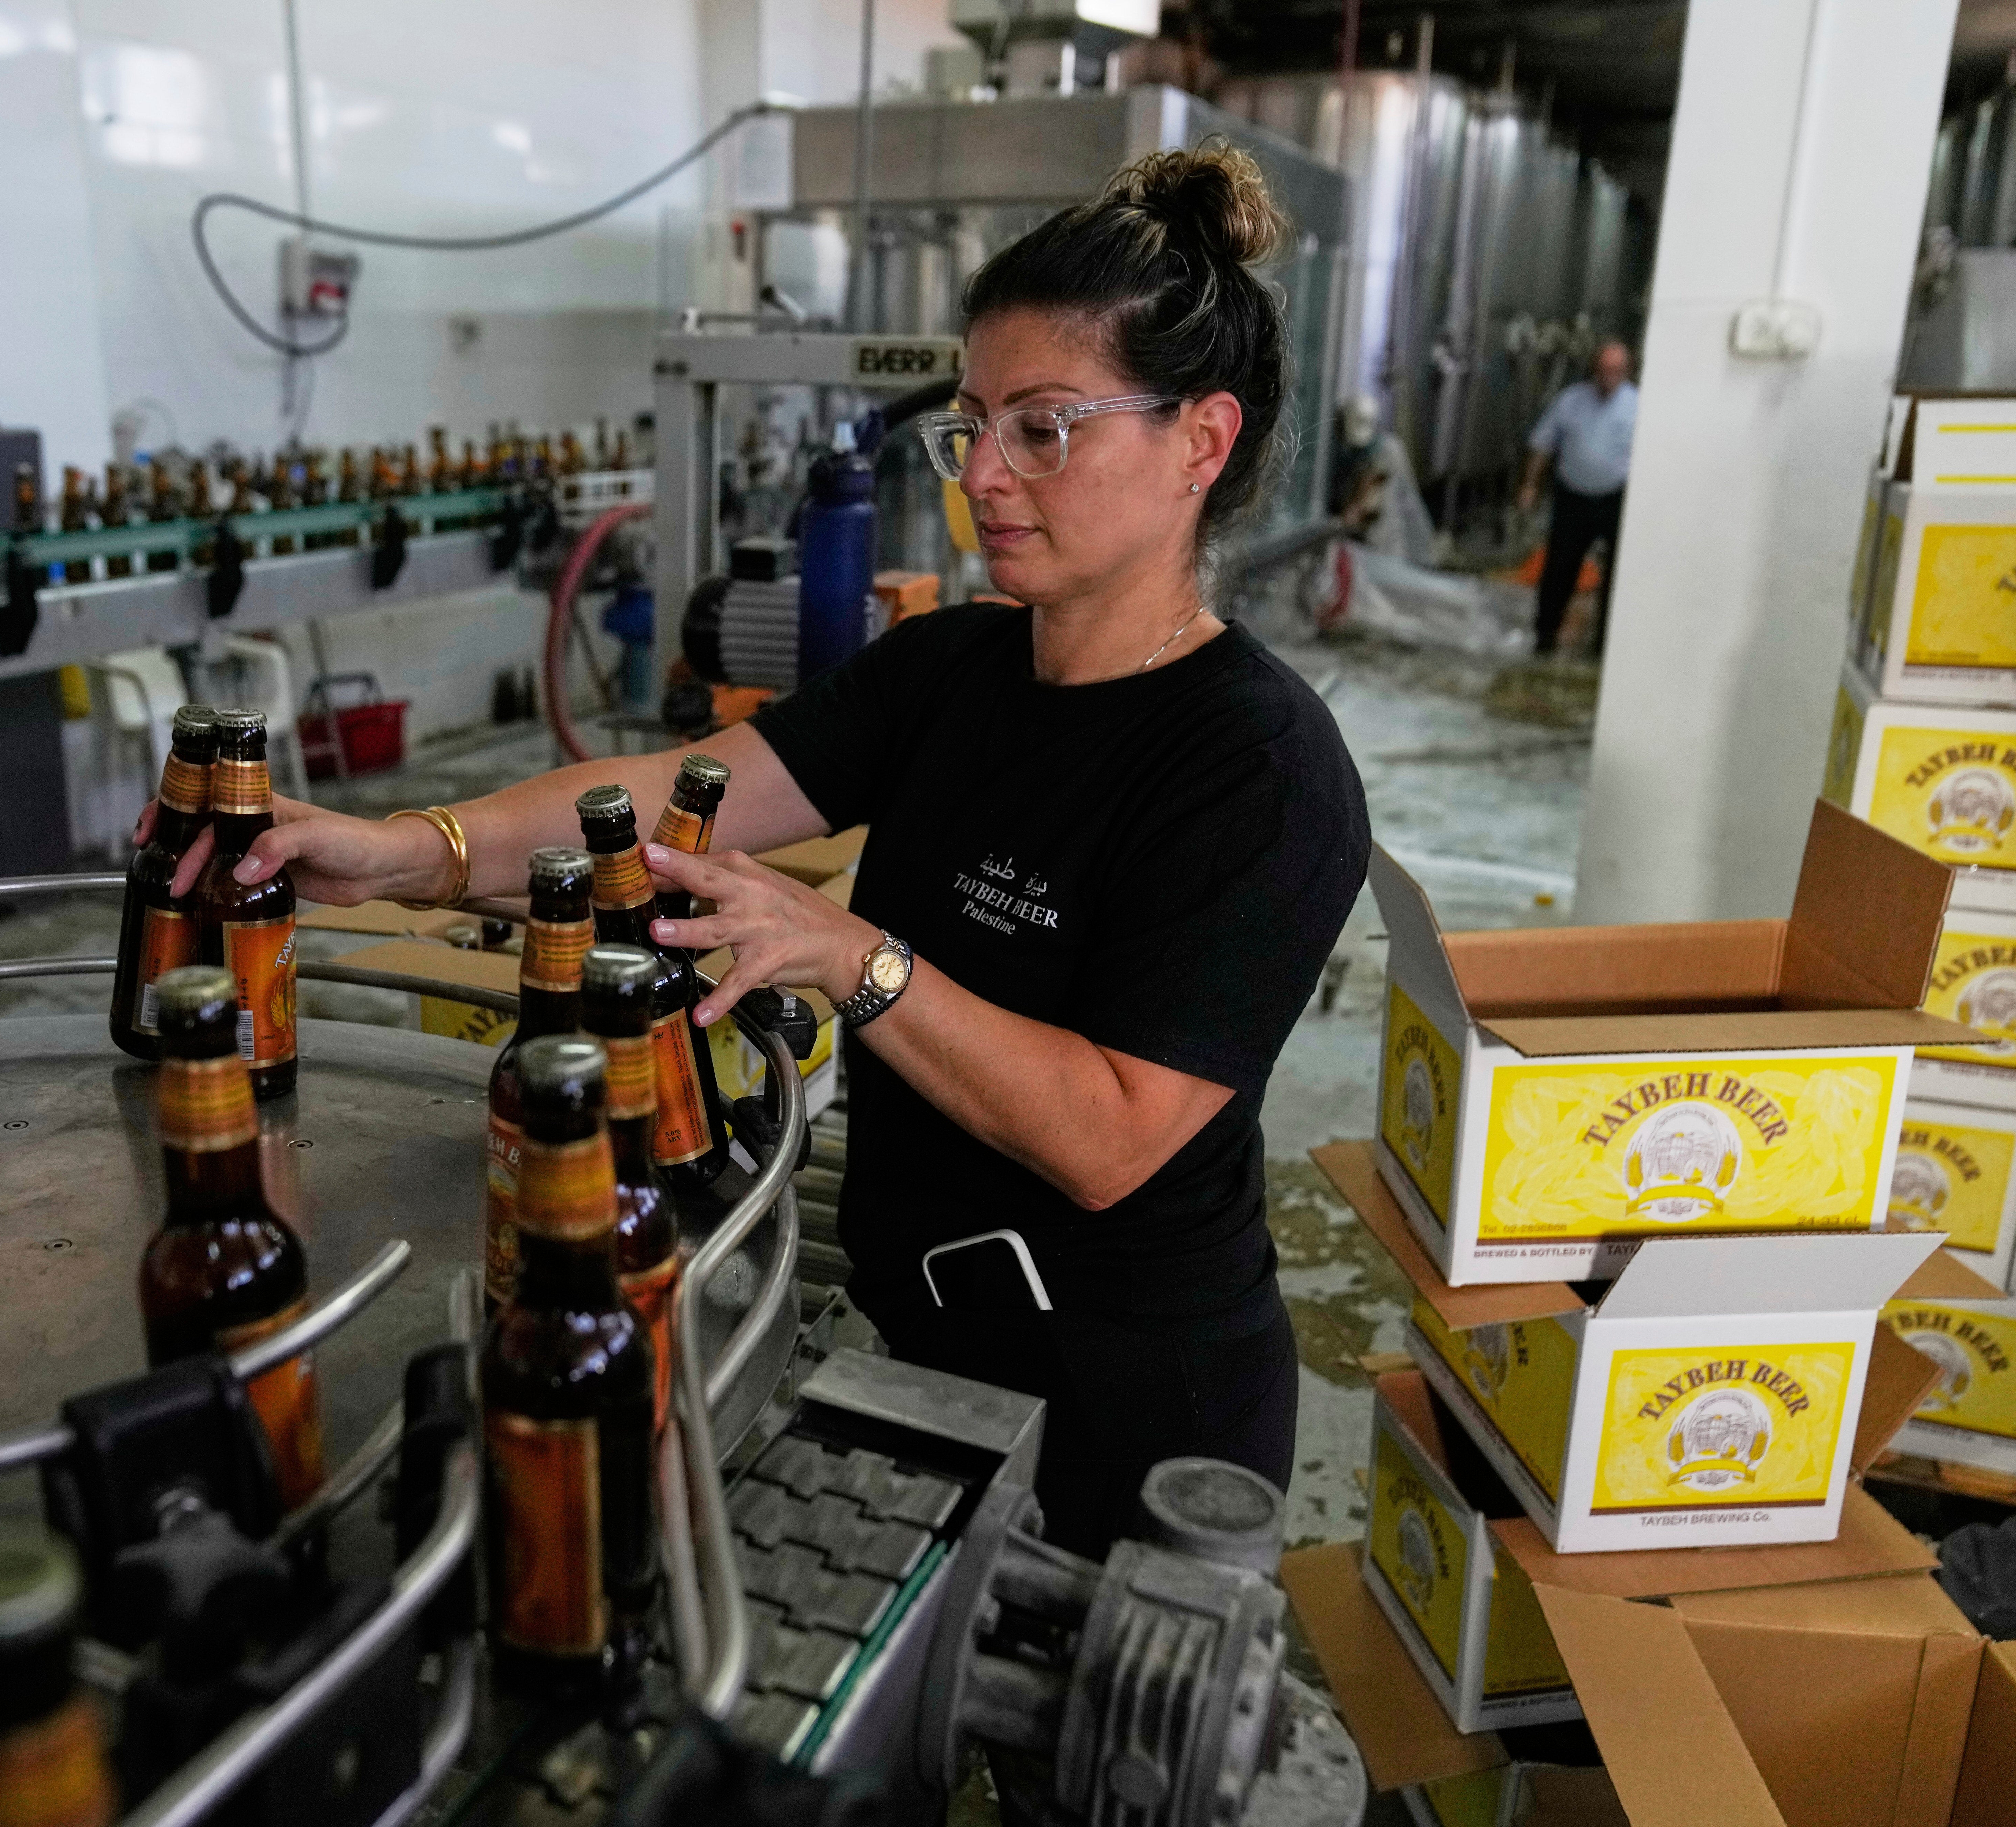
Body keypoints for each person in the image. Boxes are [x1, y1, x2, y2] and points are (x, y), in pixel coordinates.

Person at [148, 145, 1369, 1557]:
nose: (982, 473)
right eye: (970, 424)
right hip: (918, 1327)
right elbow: (678, 791)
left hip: (1128, 1398)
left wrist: (857, 959)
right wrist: (401, 849)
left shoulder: (1254, 770)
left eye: (1044, 428)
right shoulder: (950, 671)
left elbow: (1107, 1139)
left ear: (1198, 442)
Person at [1518, 338, 1638, 657]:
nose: (1609, 376)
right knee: (1559, 569)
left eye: (1616, 370)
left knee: (1617, 575)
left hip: (1616, 498)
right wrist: (1530, 486)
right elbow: (1543, 445)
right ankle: (1544, 639)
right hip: (1573, 497)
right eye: (1603, 369)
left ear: (1627, 371)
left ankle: (1604, 647)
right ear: (1594, 370)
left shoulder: (1638, 405)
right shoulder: (1570, 401)